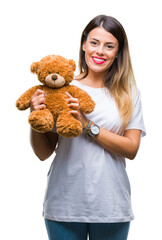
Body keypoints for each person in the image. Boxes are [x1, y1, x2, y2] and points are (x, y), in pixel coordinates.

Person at [30, 15, 146, 240]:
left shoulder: (128, 94)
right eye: (94, 43)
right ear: (84, 44)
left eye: (109, 46)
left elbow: (132, 148)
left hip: (111, 206)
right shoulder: (61, 88)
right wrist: (36, 117)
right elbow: (43, 153)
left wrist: (87, 125)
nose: (100, 51)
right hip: (64, 203)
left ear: (118, 52)